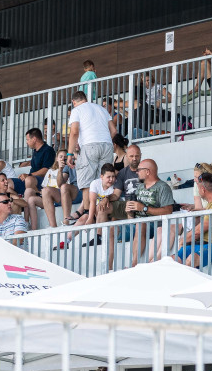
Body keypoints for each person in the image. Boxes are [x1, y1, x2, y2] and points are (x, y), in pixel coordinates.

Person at [67, 91, 116, 221]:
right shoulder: (102, 109)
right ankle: (103, 214)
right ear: (85, 98)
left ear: (74, 102)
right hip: (107, 145)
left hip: (89, 146)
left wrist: (70, 153)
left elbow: (74, 132)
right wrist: (105, 141)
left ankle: (88, 214)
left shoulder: (77, 110)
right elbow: (114, 131)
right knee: (104, 180)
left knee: (87, 183)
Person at [124, 159, 175, 265]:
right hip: (137, 224)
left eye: (139, 170)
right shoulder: (140, 186)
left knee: (141, 224)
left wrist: (144, 208)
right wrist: (129, 211)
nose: (137, 172)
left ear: (147, 172)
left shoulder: (162, 187)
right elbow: (135, 211)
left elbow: (168, 210)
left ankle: (134, 264)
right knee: (112, 229)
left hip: (155, 225)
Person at [176, 173, 212, 268]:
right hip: (199, 244)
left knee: (191, 259)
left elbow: (200, 229)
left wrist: (183, 240)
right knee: (172, 260)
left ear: (203, 190)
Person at [39, 153, 80, 229]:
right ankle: (53, 226)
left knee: (64, 187)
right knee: (45, 191)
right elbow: (60, 184)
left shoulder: (85, 157)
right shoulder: (69, 163)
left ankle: (66, 221)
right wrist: (60, 169)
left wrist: (77, 160)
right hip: (72, 190)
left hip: (83, 189)